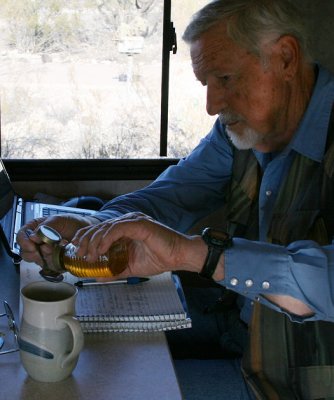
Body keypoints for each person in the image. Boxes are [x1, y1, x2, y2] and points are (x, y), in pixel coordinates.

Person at [17, 0, 334, 398]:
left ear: (285, 58)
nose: (212, 106)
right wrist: (97, 227)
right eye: (206, 85)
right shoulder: (243, 133)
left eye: (225, 78)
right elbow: (172, 194)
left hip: (297, 375)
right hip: (239, 324)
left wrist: (198, 255)